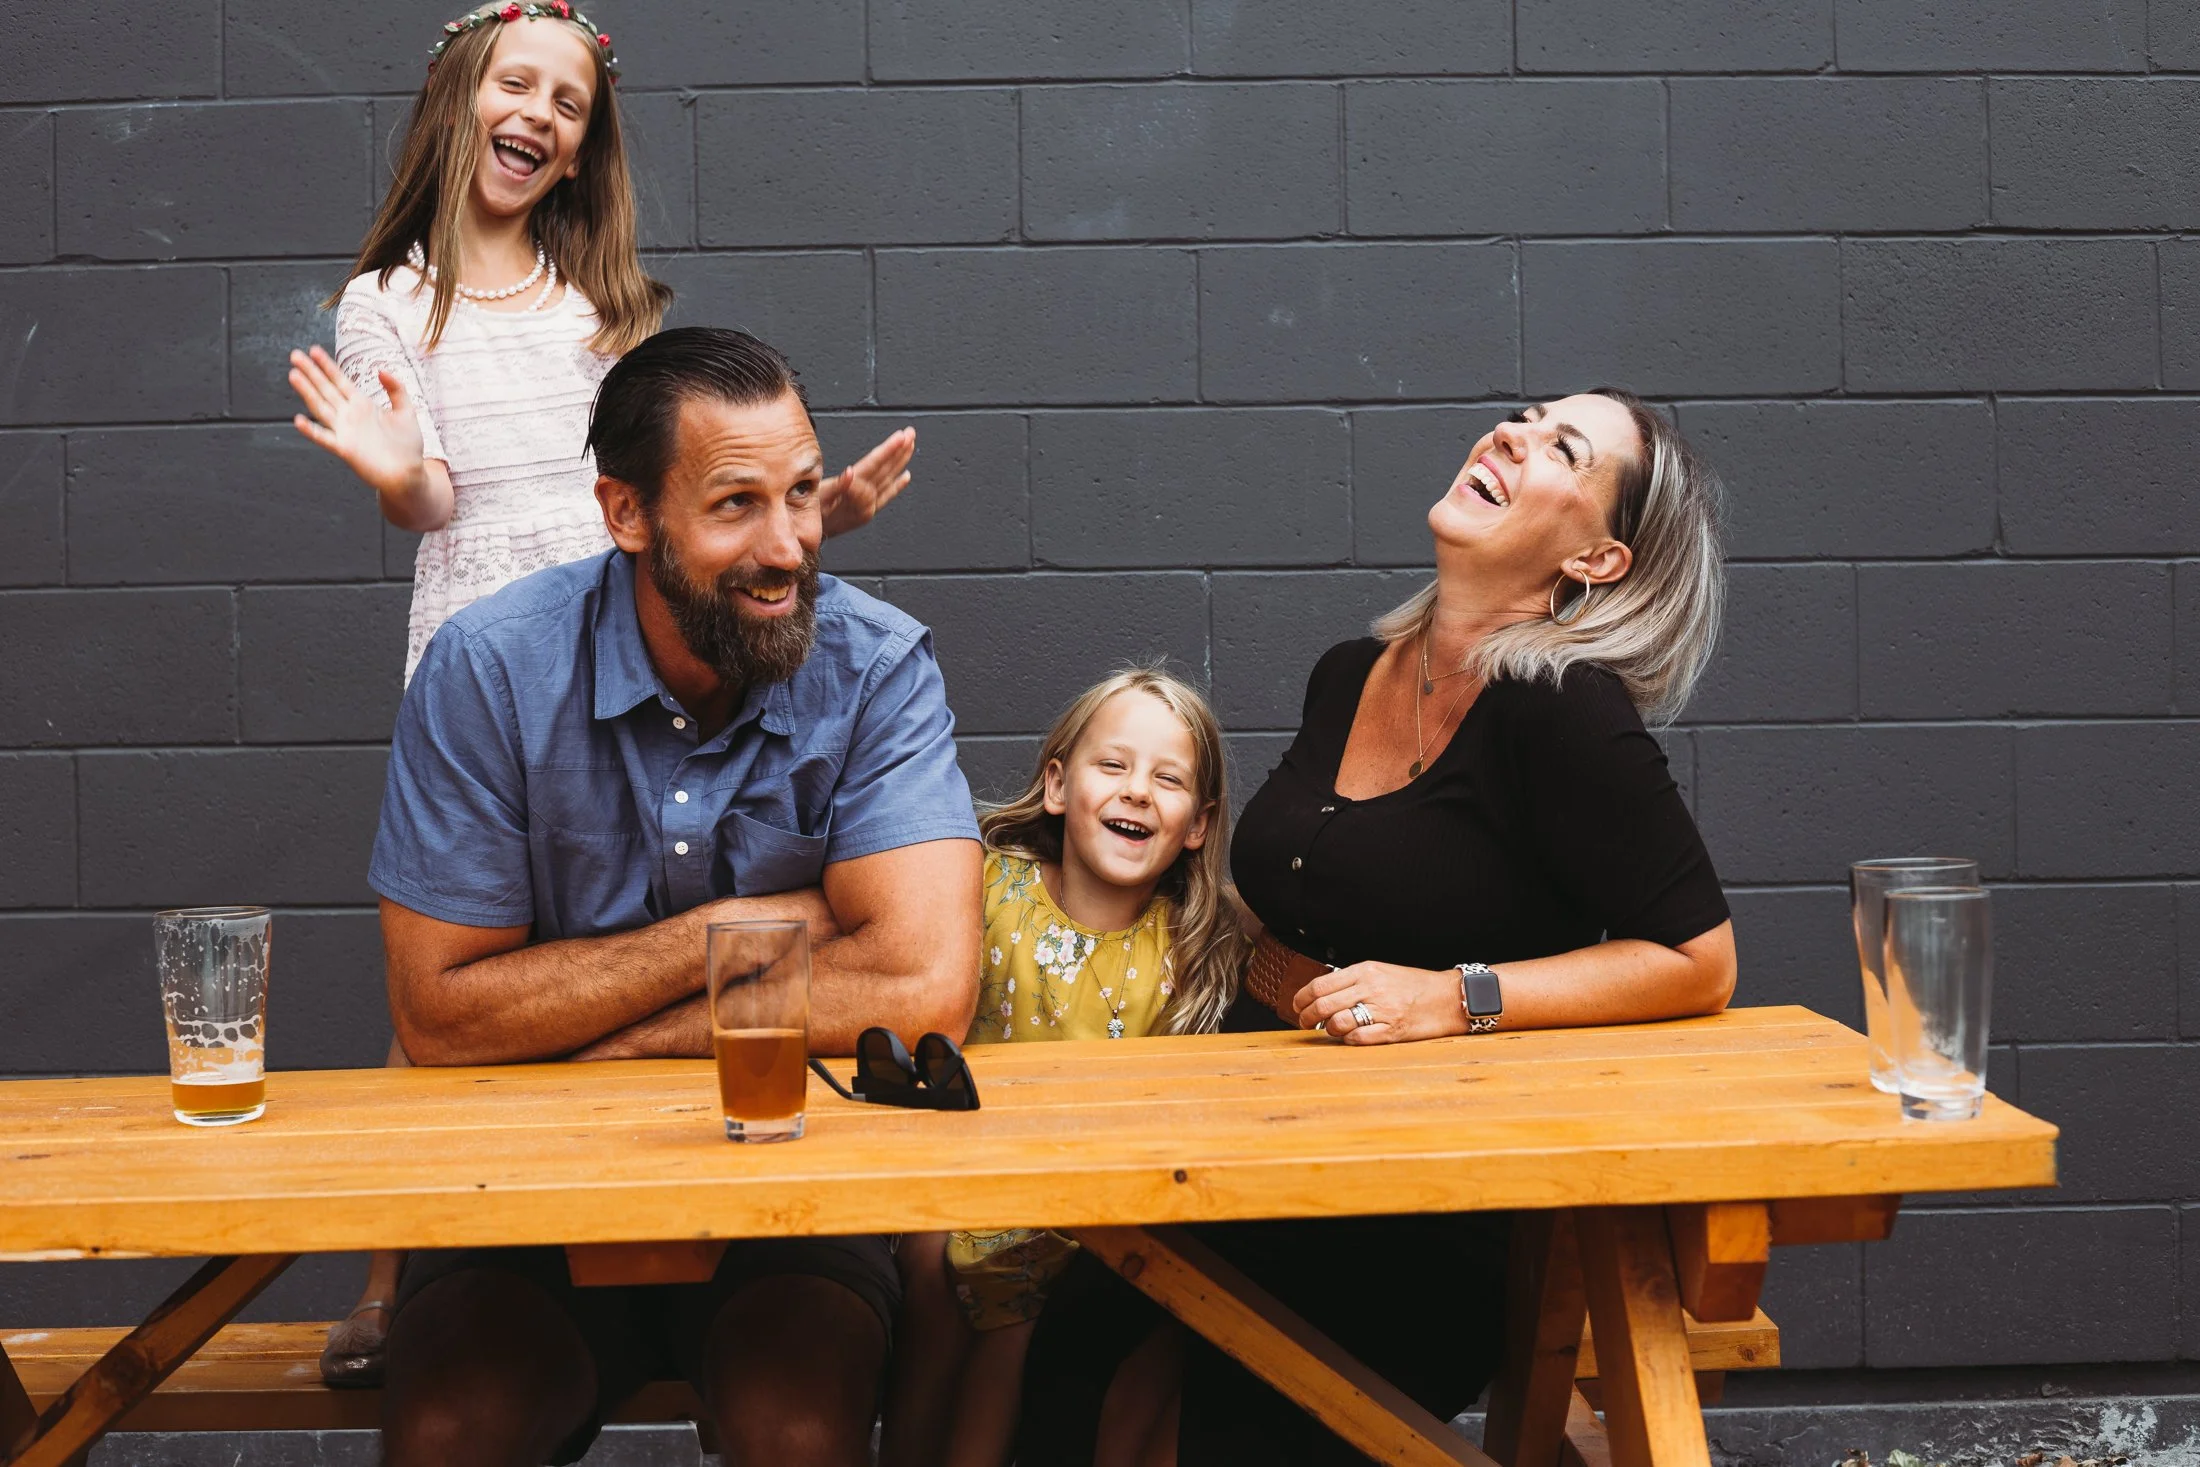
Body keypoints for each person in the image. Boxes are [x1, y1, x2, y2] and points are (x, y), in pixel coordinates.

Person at [286, 2, 916, 1383]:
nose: (540, 116)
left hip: (622, 635)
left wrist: (824, 522)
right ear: (461, 100)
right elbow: (431, 491)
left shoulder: (600, 313)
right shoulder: (391, 301)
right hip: (491, 651)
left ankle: (645, 1206)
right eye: (518, 86)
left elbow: (680, 516)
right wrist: (394, 476)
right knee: (454, 986)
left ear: (581, 151)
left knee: (605, 938)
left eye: (568, 105)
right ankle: (399, 1269)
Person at [1016, 390, 1738, 1467]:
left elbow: (1698, 961)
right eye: (1524, 416)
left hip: (1421, 1202)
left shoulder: (1565, 712)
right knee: (1064, 1366)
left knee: (1206, 1432)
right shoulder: (1350, 674)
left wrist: (1455, 996)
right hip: (1244, 1148)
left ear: (1598, 560)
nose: (1512, 435)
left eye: (1562, 449)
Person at [367, 326, 982, 1467]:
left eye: (801, 493)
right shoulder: (491, 669)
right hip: (523, 1203)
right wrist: (739, 936)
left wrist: (594, 1037)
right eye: (736, 504)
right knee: (452, 1429)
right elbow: (442, 1017)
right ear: (627, 514)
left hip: (790, 1196)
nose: (791, 543)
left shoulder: (878, 665)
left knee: (795, 1429)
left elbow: (921, 985)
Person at [879, 668, 1245, 1467]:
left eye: (1168, 777)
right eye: (1112, 766)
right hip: (956, 1176)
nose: (1138, 791)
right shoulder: (982, 889)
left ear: (1196, 824)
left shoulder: (1195, 948)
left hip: (1084, 1208)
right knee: (934, 1267)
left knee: (1017, 1304)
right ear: (1056, 784)